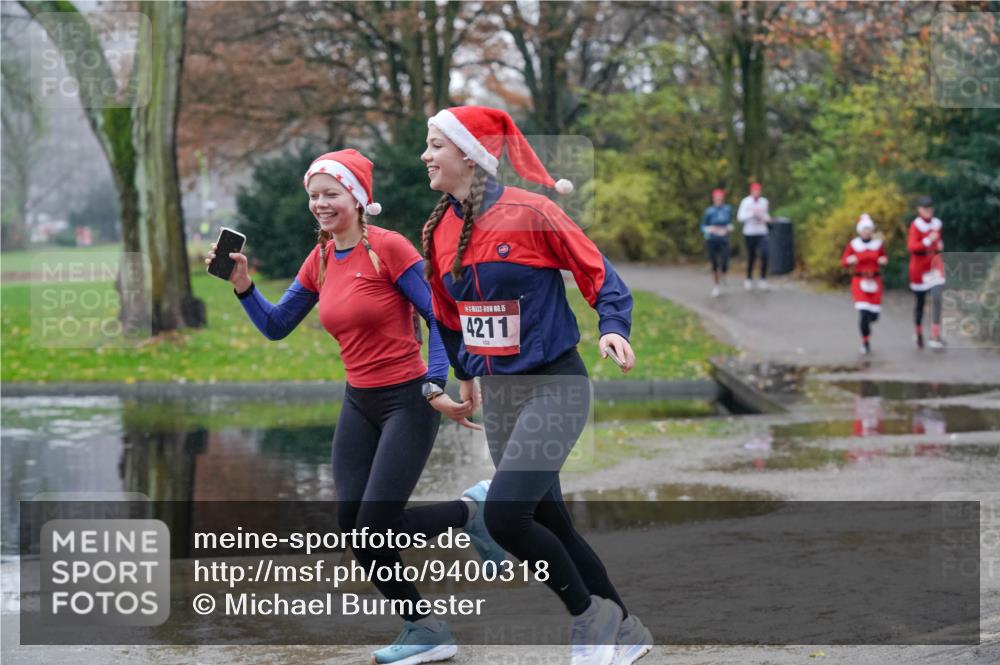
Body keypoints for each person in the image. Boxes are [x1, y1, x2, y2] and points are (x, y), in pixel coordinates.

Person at [205, 149, 507, 665]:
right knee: (355, 527)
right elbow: (277, 326)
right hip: (359, 400)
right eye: (314, 196)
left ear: (358, 198)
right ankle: (428, 621)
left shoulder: (388, 249)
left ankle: (474, 514)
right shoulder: (320, 258)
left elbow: (438, 318)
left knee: (371, 526)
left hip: (407, 400)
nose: (321, 204)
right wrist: (243, 287)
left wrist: (436, 384)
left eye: (331, 194)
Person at [420, 105, 653, 665]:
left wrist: (613, 328)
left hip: (554, 386)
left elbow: (598, 272)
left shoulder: (532, 212)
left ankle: (589, 620)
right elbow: (449, 317)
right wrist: (465, 374)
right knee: (551, 526)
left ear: (470, 156)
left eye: (435, 145)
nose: (425, 156)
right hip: (501, 395)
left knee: (504, 516)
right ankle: (628, 632)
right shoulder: (439, 230)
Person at [841, 214, 888, 355]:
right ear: (859, 230)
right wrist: (851, 259)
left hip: (875, 281)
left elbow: (884, 257)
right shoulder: (854, 244)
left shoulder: (878, 244)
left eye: (869, 229)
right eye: (864, 229)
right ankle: (865, 342)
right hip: (859, 280)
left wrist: (883, 260)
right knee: (863, 312)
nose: (866, 231)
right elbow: (844, 261)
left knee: (873, 315)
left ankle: (870, 323)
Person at [908, 195, 946, 349]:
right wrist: (928, 240)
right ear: (919, 210)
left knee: (937, 297)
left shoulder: (937, 224)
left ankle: (935, 334)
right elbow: (912, 247)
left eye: (930, 208)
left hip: (935, 265)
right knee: (920, 302)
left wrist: (939, 244)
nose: (928, 210)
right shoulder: (915, 225)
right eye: (925, 208)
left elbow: (938, 241)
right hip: (919, 268)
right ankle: (918, 333)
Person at [736, 181, 771, 290]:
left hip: (762, 232)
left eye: (758, 191)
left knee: (765, 254)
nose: (756, 193)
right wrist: (752, 213)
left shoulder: (764, 202)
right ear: (751, 191)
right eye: (754, 191)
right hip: (750, 233)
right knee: (751, 256)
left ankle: (763, 279)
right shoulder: (746, 202)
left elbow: (766, 215)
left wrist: (767, 218)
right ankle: (749, 278)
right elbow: (740, 217)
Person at [701, 188, 734, 297]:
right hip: (712, 240)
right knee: (714, 264)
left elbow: (731, 224)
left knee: (725, 261)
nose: (718, 200)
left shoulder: (727, 209)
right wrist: (710, 229)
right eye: (716, 198)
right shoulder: (709, 211)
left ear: (723, 199)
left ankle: (723, 274)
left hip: (724, 239)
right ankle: (716, 286)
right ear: (713, 199)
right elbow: (703, 227)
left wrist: (728, 229)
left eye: (720, 198)